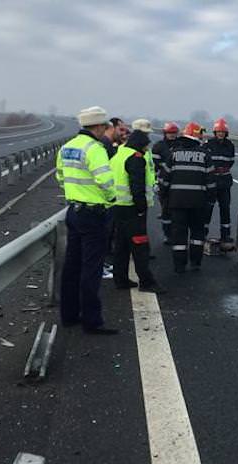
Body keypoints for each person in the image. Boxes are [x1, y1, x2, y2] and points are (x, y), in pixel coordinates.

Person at [55, 106, 118, 334]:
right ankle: (92, 321)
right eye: (105, 127)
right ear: (99, 126)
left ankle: (69, 315)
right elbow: (105, 181)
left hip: (74, 211)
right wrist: (111, 199)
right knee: (91, 268)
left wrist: (75, 195)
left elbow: (60, 176)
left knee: (72, 266)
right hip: (93, 214)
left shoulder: (68, 147)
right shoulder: (95, 149)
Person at [109, 120, 166, 294]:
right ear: (140, 145)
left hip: (117, 205)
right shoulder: (135, 158)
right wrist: (141, 208)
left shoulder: (119, 153)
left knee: (121, 245)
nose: (147, 149)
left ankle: (120, 279)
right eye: (146, 146)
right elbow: (137, 187)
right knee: (140, 246)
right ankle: (147, 282)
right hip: (132, 208)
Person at [163, 122, 215, 273]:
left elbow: (164, 179)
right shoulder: (205, 155)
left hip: (177, 203)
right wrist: (210, 200)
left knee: (179, 235)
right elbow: (211, 182)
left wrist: (165, 197)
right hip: (198, 203)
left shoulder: (173, 154)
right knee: (197, 234)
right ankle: (195, 263)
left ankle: (179, 266)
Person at [100, 117, 128, 279]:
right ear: (112, 128)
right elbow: (104, 176)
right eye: (121, 130)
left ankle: (102, 264)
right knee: (101, 236)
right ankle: (99, 267)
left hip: (103, 200)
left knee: (105, 235)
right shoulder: (104, 146)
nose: (123, 134)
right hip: (103, 201)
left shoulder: (108, 145)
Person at [204, 118, 236, 248]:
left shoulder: (230, 145)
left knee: (225, 209)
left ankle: (225, 235)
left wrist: (222, 169)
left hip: (225, 182)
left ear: (226, 133)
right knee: (207, 209)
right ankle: (202, 233)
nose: (220, 134)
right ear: (215, 132)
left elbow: (231, 161)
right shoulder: (208, 144)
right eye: (218, 132)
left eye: (223, 132)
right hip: (211, 182)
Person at [152, 122, 180, 243]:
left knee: (177, 209)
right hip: (163, 181)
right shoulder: (159, 146)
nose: (172, 135)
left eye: (174, 133)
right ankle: (168, 234)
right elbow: (154, 166)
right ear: (165, 133)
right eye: (170, 133)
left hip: (178, 181)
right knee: (166, 209)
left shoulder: (181, 145)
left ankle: (176, 232)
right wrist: (155, 182)